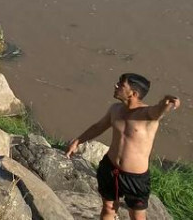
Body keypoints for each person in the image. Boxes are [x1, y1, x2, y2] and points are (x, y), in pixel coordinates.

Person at [65, 74, 180, 220]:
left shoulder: (147, 115)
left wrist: (166, 102)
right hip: (110, 168)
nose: (116, 86)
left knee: (137, 216)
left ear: (133, 93)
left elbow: (159, 111)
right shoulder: (115, 109)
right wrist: (78, 141)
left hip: (135, 178)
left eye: (121, 85)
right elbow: (99, 127)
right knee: (108, 208)